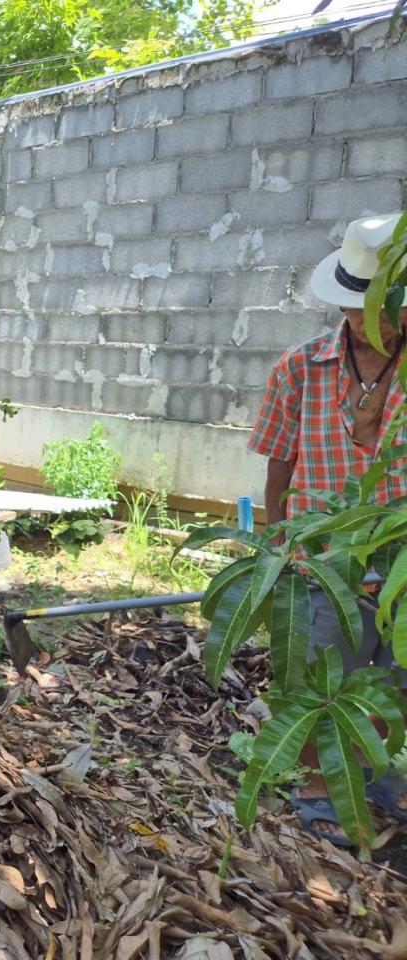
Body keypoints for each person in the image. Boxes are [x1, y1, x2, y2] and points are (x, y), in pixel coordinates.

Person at [248, 210, 407, 846]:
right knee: (322, 673)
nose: (374, 325)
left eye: (387, 311)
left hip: (400, 555)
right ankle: (319, 782)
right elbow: (279, 461)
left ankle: (378, 774)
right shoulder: (301, 367)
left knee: (396, 675)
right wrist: (278, 537)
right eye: (361, 311)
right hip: (323, 553)